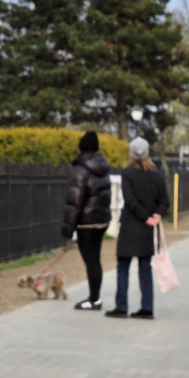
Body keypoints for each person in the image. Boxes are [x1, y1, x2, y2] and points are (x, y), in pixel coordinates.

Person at [107, 137, 169, 320]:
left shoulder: (127, 173)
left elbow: (130, 200)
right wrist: (155, 216)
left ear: (131, 154)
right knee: (145, 267)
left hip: (130, 225)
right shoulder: (157, 174)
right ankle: (147, 307)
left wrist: (145, 216)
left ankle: (121, 306)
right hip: (147, 229)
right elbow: (164, 200)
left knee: (123, 266)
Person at [61, 131, 112, 311]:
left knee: (91, 261)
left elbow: (74, 202)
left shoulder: (80, 170)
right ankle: (95, 298)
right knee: (95, 260)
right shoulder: (103, 168)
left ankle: (94, 299)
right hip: (101, 221)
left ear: (81, 148)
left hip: (86, 223)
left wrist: (68, 228)